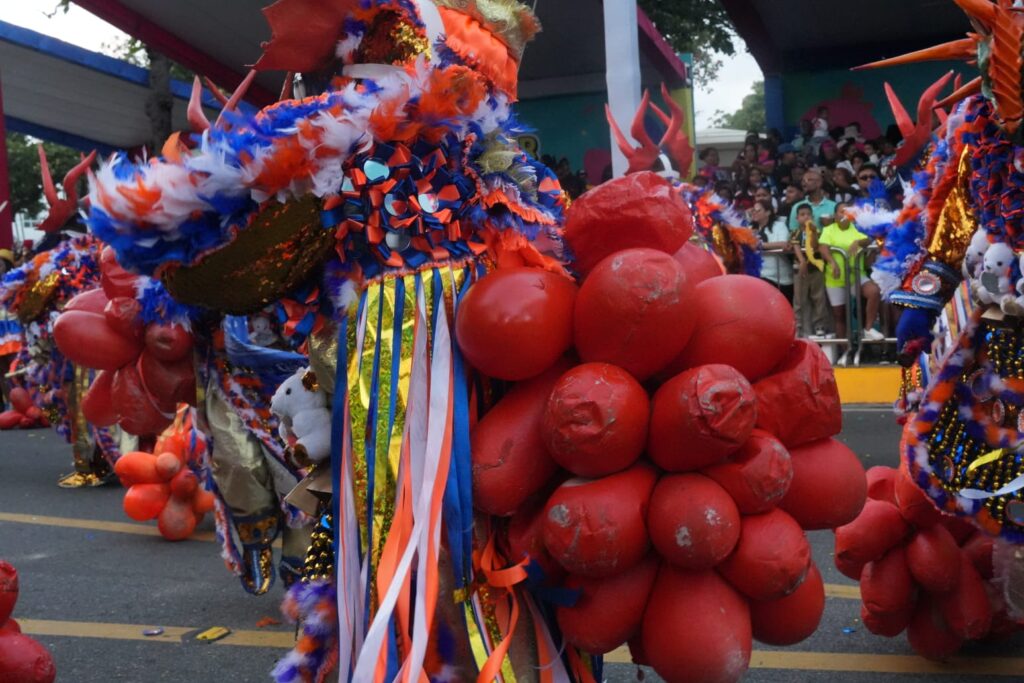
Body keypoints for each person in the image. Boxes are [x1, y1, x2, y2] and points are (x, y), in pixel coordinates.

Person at [818, 203, 884, 348]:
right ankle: (845, 351)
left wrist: (858, 241)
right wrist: (832, 262)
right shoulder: (829, 230)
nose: (845, 215)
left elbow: (869, 239)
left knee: (874, 292)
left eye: (848, 212)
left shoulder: (856, 228)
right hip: (835, 279)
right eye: (841, 212)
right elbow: (822, 247)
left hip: (856, 275)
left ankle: (868, 329)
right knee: (840, 316)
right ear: (835, 215)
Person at [791, 204, 832, 337]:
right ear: (797, 218)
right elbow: (796, 246)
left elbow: (815, 246)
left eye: (808, 214)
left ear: (812, 217)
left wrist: (813, 232)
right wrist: (802, 260)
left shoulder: (818, 231)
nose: (806, 217)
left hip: (816, 270)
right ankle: (799, 326)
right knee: (799, 300)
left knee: (818, 298)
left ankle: (820, 325)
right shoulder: (795, 232)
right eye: (802, 215)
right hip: (800, 271)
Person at [751, 199, 794, 301]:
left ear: (768, 212)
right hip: (760, 275)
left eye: (758, 210)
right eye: (753, 211)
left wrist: (761, 245)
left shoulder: (779, 226)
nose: (755, 213)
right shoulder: (750, 229)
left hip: (780, 276)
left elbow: (784, 244)